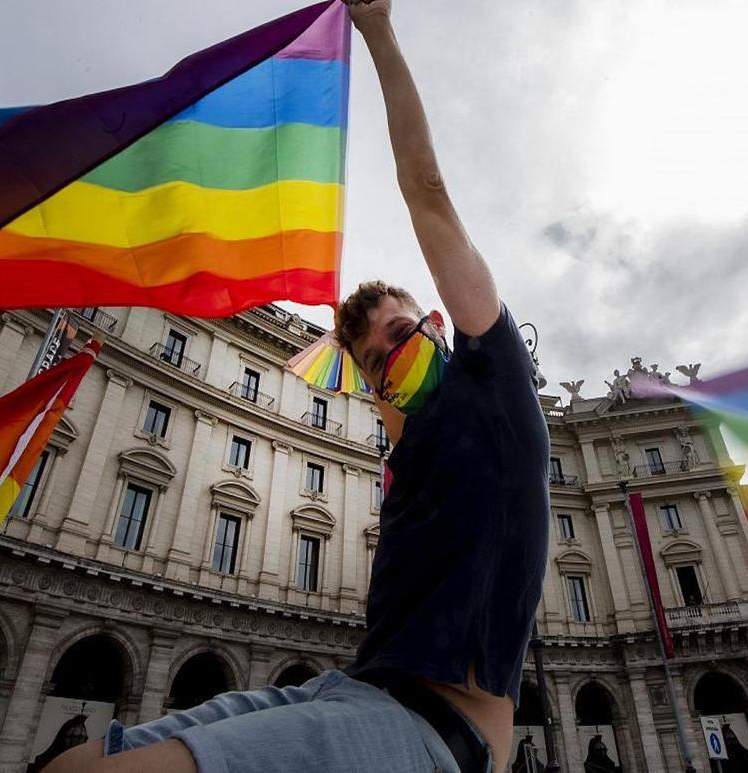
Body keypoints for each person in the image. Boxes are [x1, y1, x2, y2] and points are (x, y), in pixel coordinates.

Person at [44, 1, 549, 772]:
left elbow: (430, 191)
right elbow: (378, 389)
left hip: (440, 734)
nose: (389, 357)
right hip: (349, 690)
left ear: (442, 323)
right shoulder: (404, 454)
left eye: (399, 332)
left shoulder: (497, 391)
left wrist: (378, 33)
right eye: (374, 361)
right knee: (69, 763)